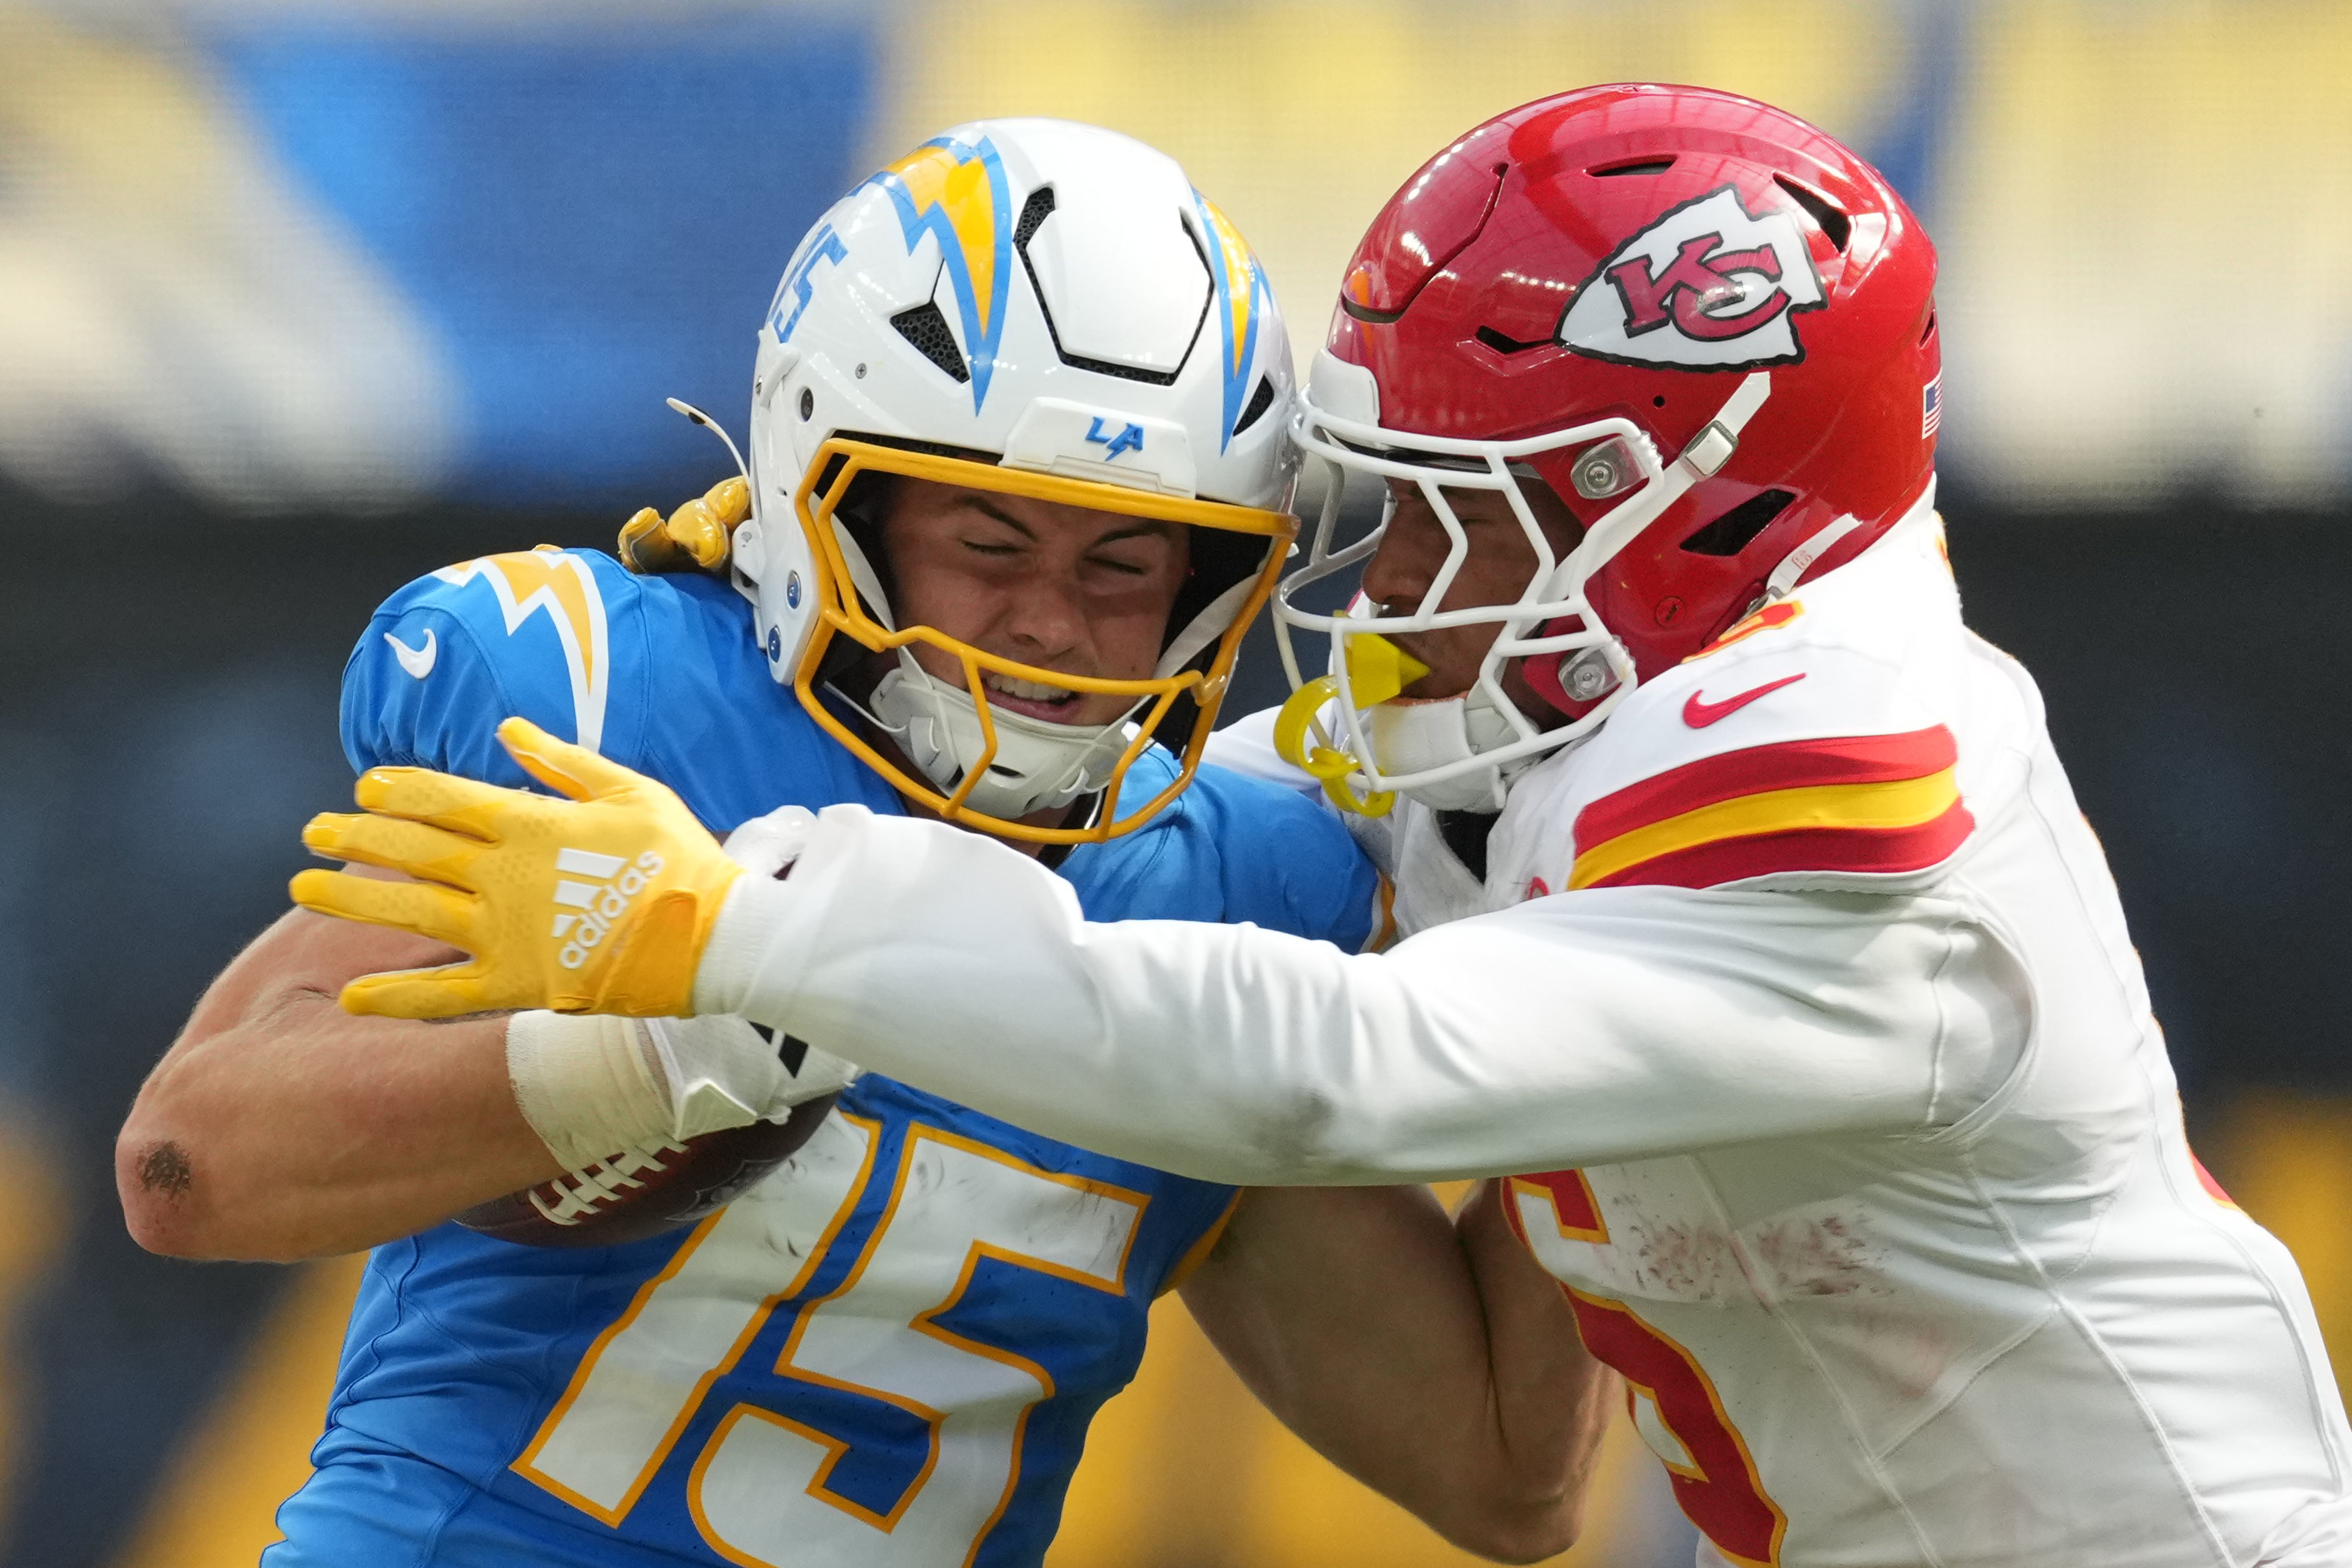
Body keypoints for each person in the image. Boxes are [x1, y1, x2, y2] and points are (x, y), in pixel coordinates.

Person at [298, 86, 2352, 1565]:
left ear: (1698, 500)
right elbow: (1275, 783)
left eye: (1481, 502)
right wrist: (840, 667)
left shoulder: (1850, 781)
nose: (1402, 575)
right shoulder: (1628, 698)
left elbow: (1331, 1072)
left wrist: (747, 920)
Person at [121, 119, 1608, 1567]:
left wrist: (1608, 961)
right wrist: (665, 1054)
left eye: (1124, 562)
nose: (1050, 623)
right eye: (989, 543)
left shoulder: (1236, 893)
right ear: (832, 503)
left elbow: (1499, 1473)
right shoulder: (622, 720)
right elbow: (192, 1166)